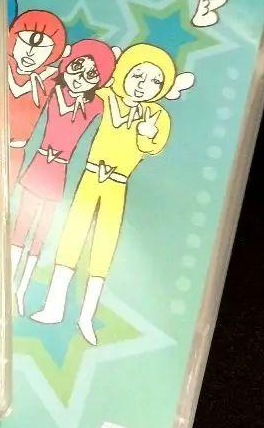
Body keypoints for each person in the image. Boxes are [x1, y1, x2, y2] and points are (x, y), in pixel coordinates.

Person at [31, 43, 180, 345]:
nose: (144, 85)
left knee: (104, 247)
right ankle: (53, 307)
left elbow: (152, 147)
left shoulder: (157, 116)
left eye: (155, 81)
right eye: (137, 75)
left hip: (117, 185)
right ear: (124, 71)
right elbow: (80, 92)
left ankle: (86, 317)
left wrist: (147, 135)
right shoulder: (107, 96)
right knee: (71, 237)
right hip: (89, 177)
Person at [10, 39, 116, 315]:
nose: (80, 77)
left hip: (62, 175)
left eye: (91, 74)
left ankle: (21, 291)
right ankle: (7, 287)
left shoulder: (96, 106)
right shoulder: (49, 90)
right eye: (77, 66)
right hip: (37, 167)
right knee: (20, 228)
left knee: (41, 235)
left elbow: (112, 108)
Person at [6, 9, 67, 185]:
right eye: (24, 43)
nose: (30, 53)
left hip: (15, 152)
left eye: (41, 49)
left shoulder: (50, 78)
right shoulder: (0, 62)